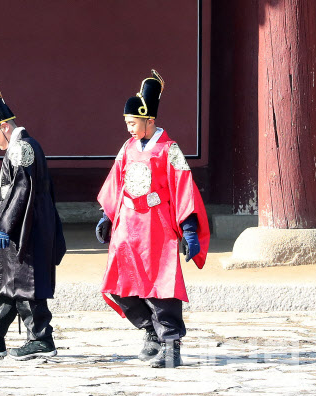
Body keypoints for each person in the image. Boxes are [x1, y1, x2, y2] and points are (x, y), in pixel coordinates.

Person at [96, 70, 210, 368]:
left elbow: (184, 188)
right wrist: (106, 216)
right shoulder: (127, 148)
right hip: (127, 224)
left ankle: (171, 345)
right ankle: (150, 331)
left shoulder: (169, 150)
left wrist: (189, 230)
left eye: (133, 123)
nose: (129, 129)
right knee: (120, 284)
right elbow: (115, 183)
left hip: (156, 225)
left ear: (150, 120)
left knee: (161, 285)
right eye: (127, 123)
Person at [0, 83, 66, 360]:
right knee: (2, 284)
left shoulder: (22, 149)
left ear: (4, 126)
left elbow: (21, 191)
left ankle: (41, 339)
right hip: (16, 226)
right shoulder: (19, 148)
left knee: (24, 285)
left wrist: (5, 227)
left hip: (24, 229)